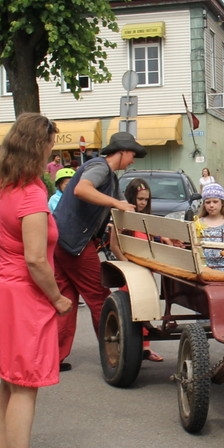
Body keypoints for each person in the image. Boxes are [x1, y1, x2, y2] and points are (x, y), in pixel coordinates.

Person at [0, 113, 73, 448]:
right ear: (40, 146)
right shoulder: (32, 192)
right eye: (51, 143)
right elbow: (36, 259)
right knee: (26, 385)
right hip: (23, 294)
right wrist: (57, 297)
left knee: (6, 377)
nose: (53, 150)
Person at [50, 130, 145, 370]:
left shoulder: (110, 177)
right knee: (99, 297)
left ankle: (54, 357)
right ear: (121, 152)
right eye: (132, 154)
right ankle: (116, 353)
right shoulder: (100, 167)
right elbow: (82, 189)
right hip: (75, 244)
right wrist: (115, 203)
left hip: (60, 240)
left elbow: (127, 208)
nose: (133, 160)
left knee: (67, 299)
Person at [123, 178, 162, 362]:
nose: (143, 203)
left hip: (146, 271)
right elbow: (115, 245)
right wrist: (127, 267)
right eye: (139, 199)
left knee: (146, 308)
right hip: (131, 274)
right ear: (131, 197)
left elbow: (155, 238)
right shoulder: (124, 218)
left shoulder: (146, 219)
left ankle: (146, 348)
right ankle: (133, 350)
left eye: (146, 200)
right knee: (133, 312)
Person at [195, 182, 224, 273]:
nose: (211, 205)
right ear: (204, 204)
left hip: (223, 268)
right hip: (204, 268)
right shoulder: (199, 222)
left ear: (222, 203)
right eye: (208, 202)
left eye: (215, 201)